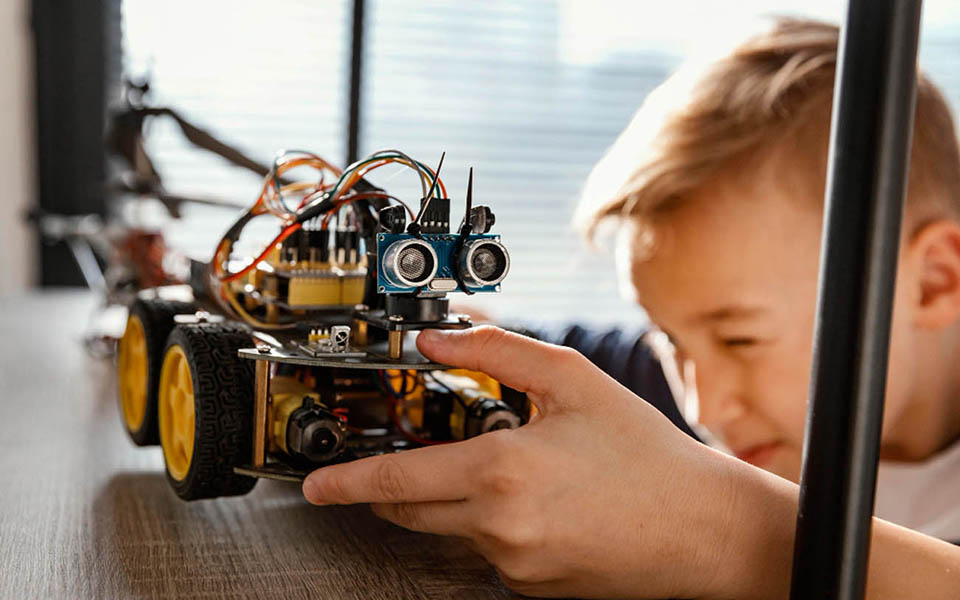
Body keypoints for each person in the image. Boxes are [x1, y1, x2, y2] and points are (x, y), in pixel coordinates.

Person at [302, 18, 960, 598]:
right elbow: (554, 353)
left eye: (740, 340)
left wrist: (712, 534)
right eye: (671, 339)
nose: (704, 406)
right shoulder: (717, 403)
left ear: (932, 281)